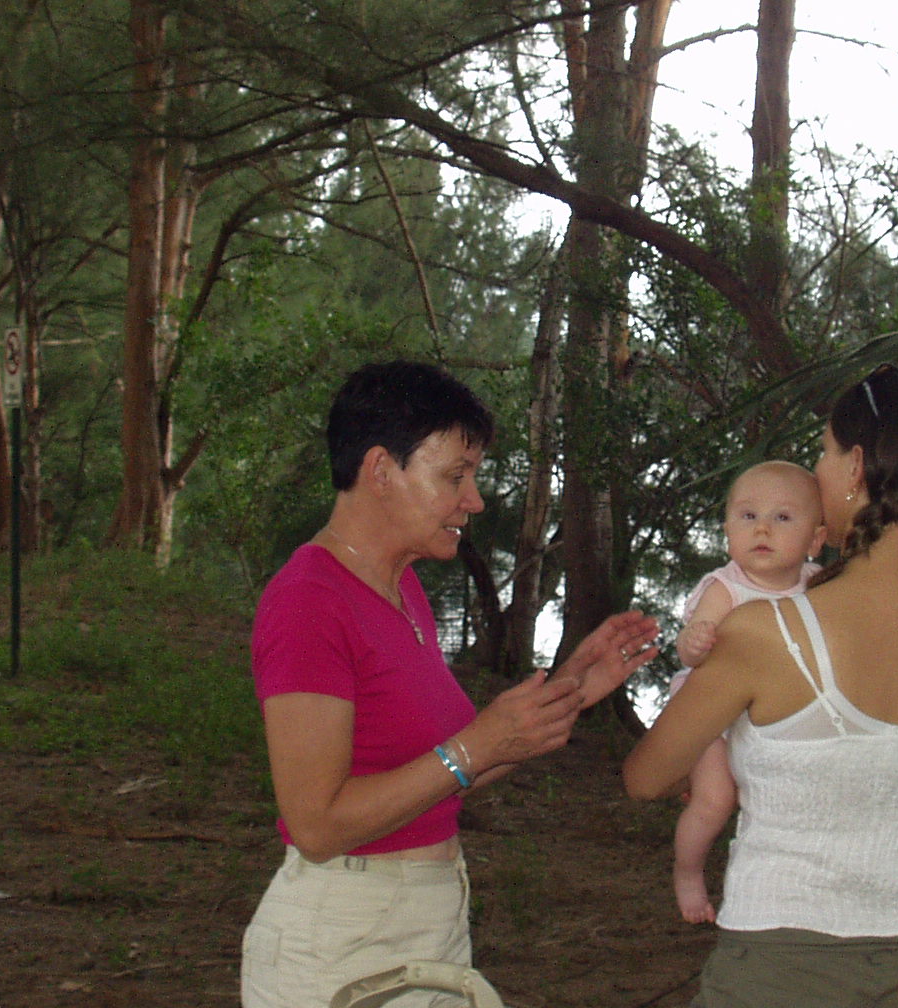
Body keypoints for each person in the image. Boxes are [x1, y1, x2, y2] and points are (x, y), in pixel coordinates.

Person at [242, 360, 659, 1008]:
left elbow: (453, 770)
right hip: (341, 943)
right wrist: (473, 746)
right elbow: (317, 824)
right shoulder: (309, 601)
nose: (475, 500)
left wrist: (572, 686)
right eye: (455, 476)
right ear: (381, 471)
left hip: (429, 925)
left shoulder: (402, 589)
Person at [625, 365, 898, 1008]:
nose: (816, 470)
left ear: (855, 467)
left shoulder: (767, 631)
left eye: (824, 453)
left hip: (781, 962)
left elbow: (645, 777)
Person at [669, 461, 826, 924]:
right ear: (727, 533)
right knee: (716, 799)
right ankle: (687, 872)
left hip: (774, 717)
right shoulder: (727, 587)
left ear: (816, 539)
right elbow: (688, 651)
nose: (762, 528)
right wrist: (695, 642)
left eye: (782, 517)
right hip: (713, 715)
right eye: (748, 516)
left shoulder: (818, 587)